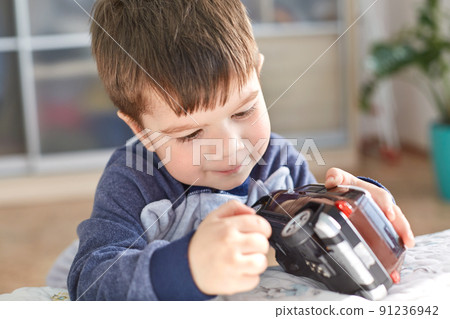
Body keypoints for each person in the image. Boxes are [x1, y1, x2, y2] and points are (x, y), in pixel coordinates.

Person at [67, 0, 415, 301]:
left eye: (243, 111)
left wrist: (357, 210)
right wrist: (187, 267)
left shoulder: (279, 165)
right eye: (190, 134)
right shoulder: (132, 180)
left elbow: (306, 249)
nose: (231, 150)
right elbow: (88, 282)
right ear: (141, 131)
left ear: (258, 77)